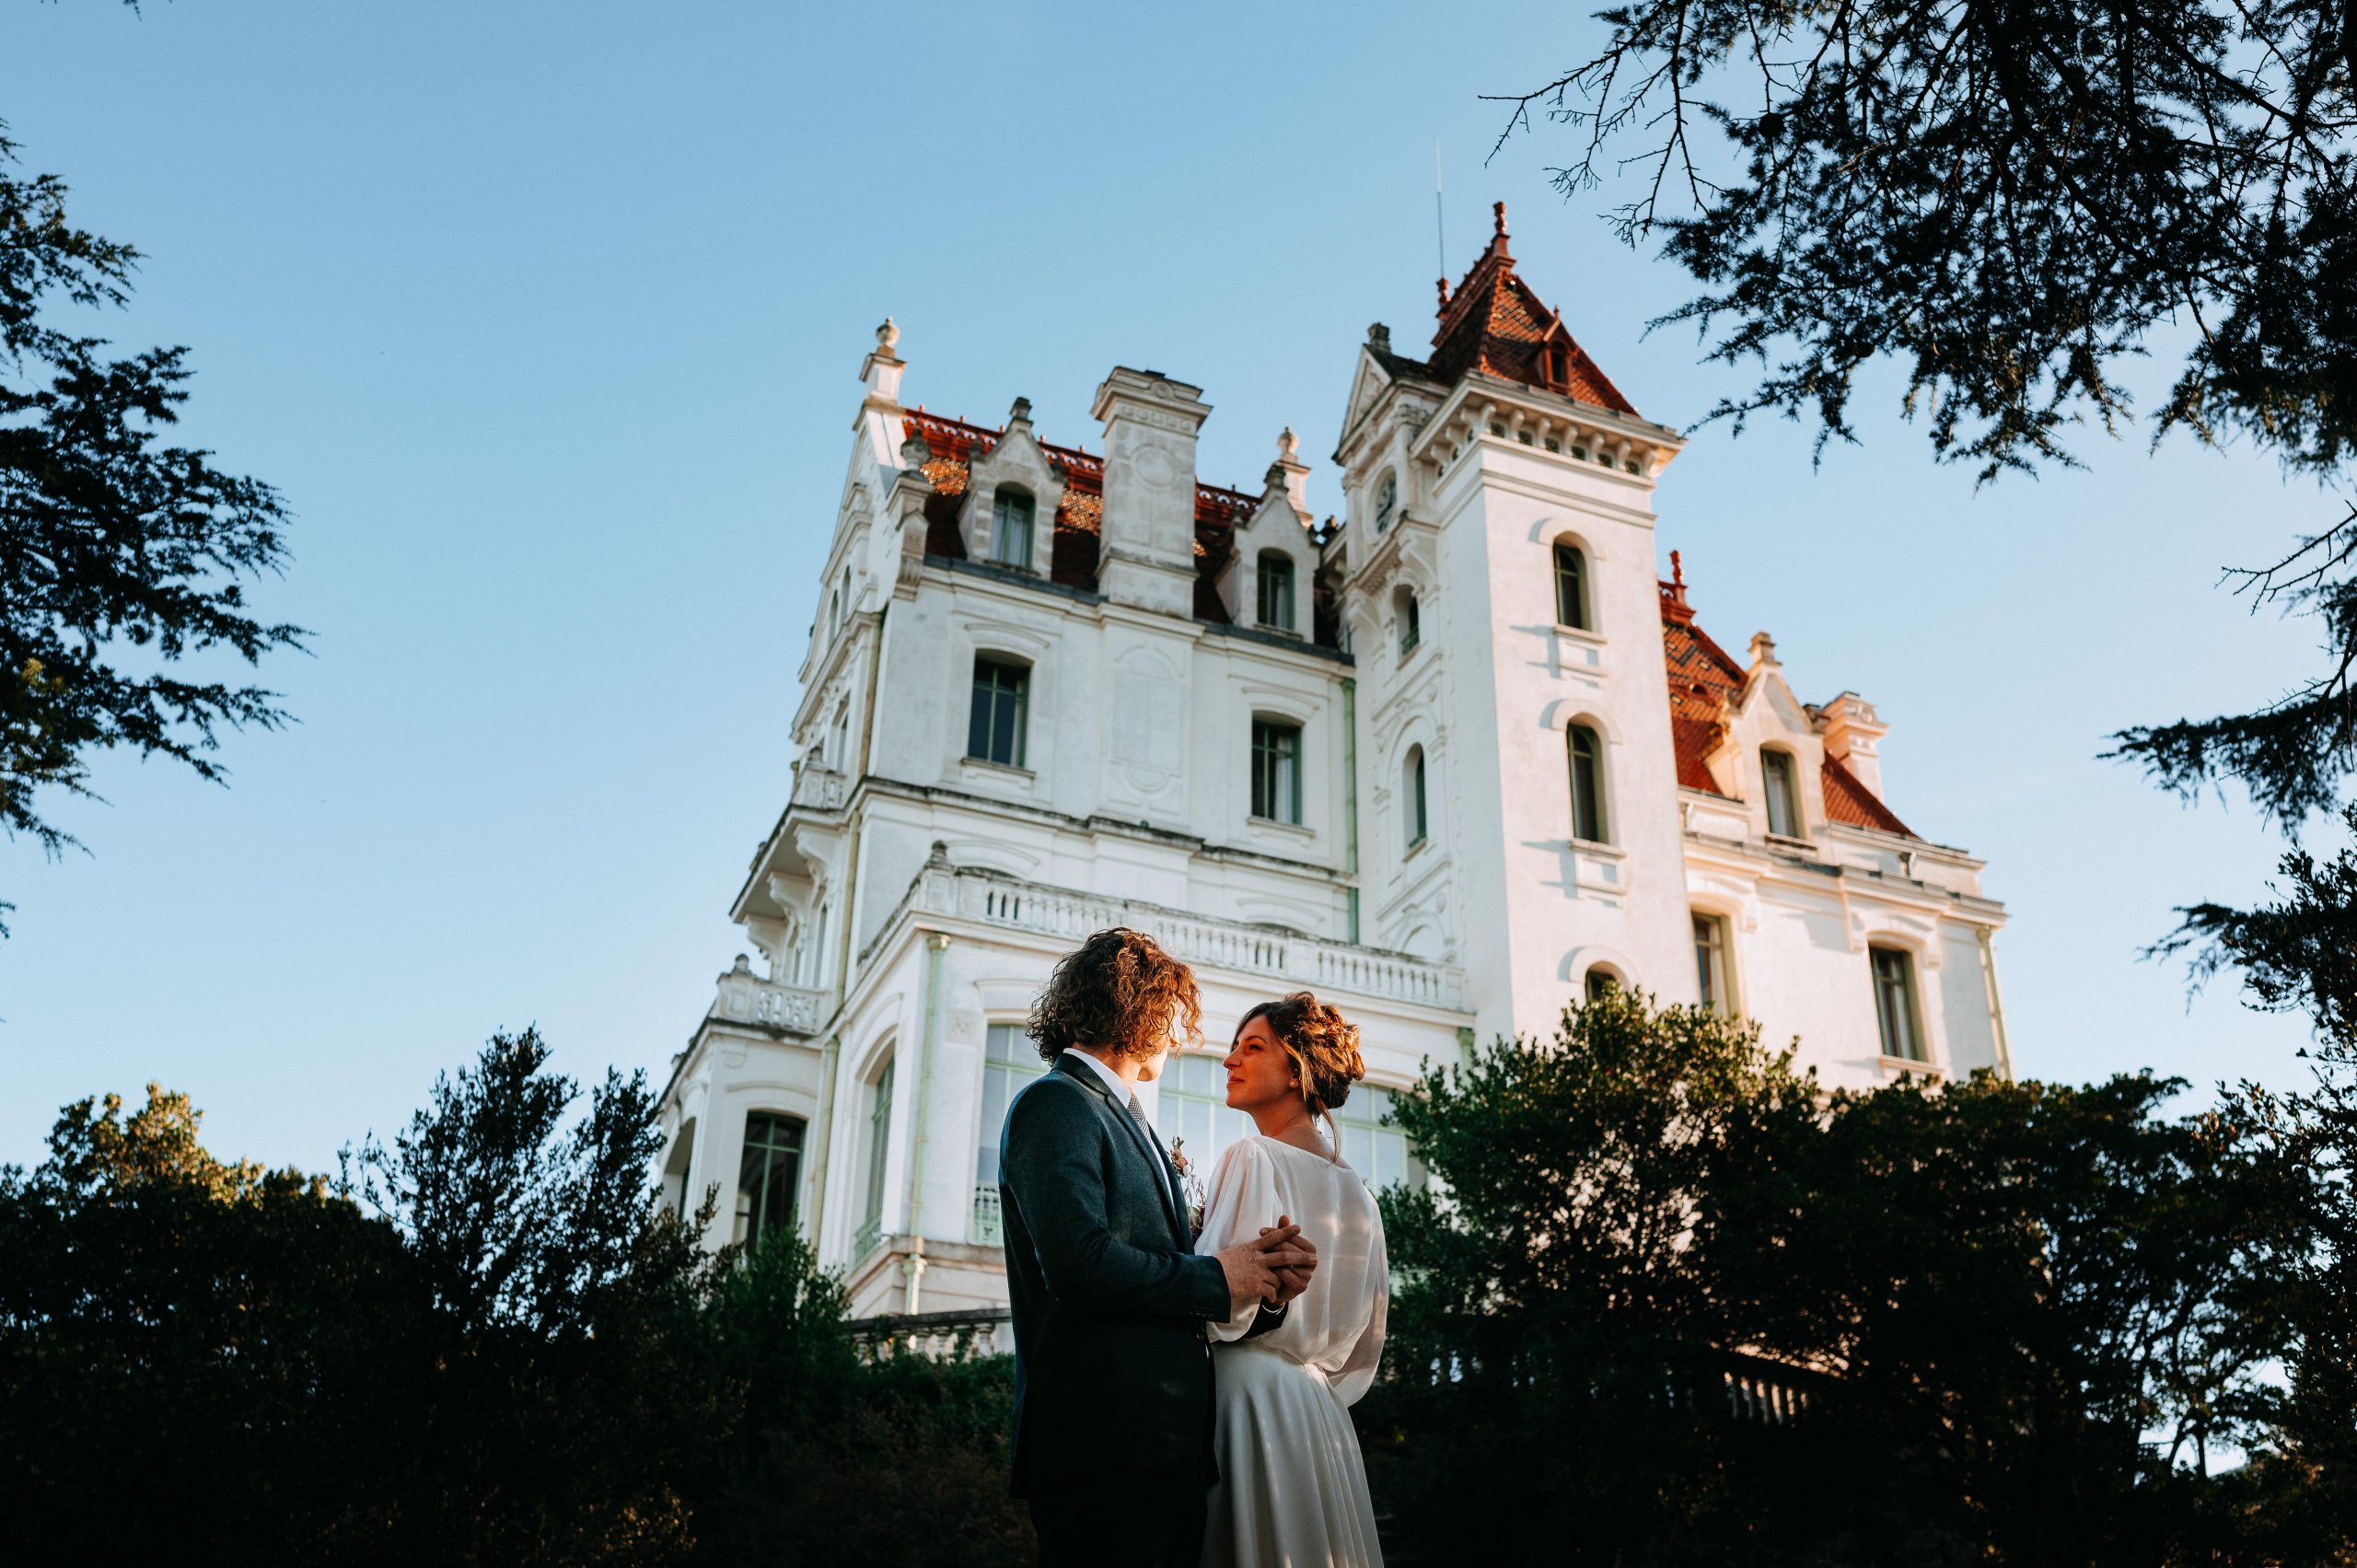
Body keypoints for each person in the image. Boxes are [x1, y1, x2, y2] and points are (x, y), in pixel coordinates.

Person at [999, 928, 1320, 1568]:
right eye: (1177, 1016)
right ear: (1139, 1007)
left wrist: (1262, 1282)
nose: (1181, 1036)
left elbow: (1173, 1279)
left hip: (1162, 1450)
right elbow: (1080, 1265)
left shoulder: (1129, 1118)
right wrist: (1219, 1276)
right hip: (1101, 1448)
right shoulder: (1055, 1104)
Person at [1194, 991, 1388, 1568]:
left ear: (1297, 1069)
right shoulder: (1363, 1200)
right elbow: (1360, 1360)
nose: (1230, 1060)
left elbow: (1214, 1305)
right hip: (1317, 1416)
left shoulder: (1254, 1157)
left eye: (1252, 1048)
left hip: (1242, 1403)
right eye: (1232, 1047)